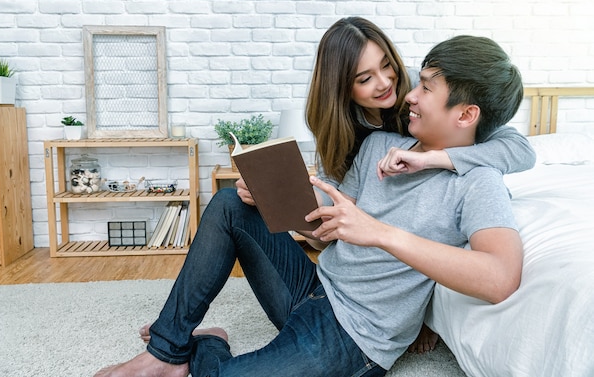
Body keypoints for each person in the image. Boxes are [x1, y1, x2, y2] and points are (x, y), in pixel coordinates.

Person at [94, 34, 525, 377]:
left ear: (466, 115)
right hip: (315, 287)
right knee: (230, 204)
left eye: (426, 87)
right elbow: (333, 223)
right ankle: (166, 350)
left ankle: (209, 342)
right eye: (418, 82)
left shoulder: (479, 181)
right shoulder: (380, 142)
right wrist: (282, 198)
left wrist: (381, 232)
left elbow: (500, 277)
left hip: (355, 336)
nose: (408, 93)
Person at [241, 17, 534, 354]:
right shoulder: (363, 138)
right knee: (232, 205)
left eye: (387, 67)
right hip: (338, 278)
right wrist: (274, 196)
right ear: (342, 89)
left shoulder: (419, 88)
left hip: (373, 310)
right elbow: (335, 213)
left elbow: (519, 149)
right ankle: (167, 351)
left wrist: (434, 158)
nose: (388, 85)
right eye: (365, 79)